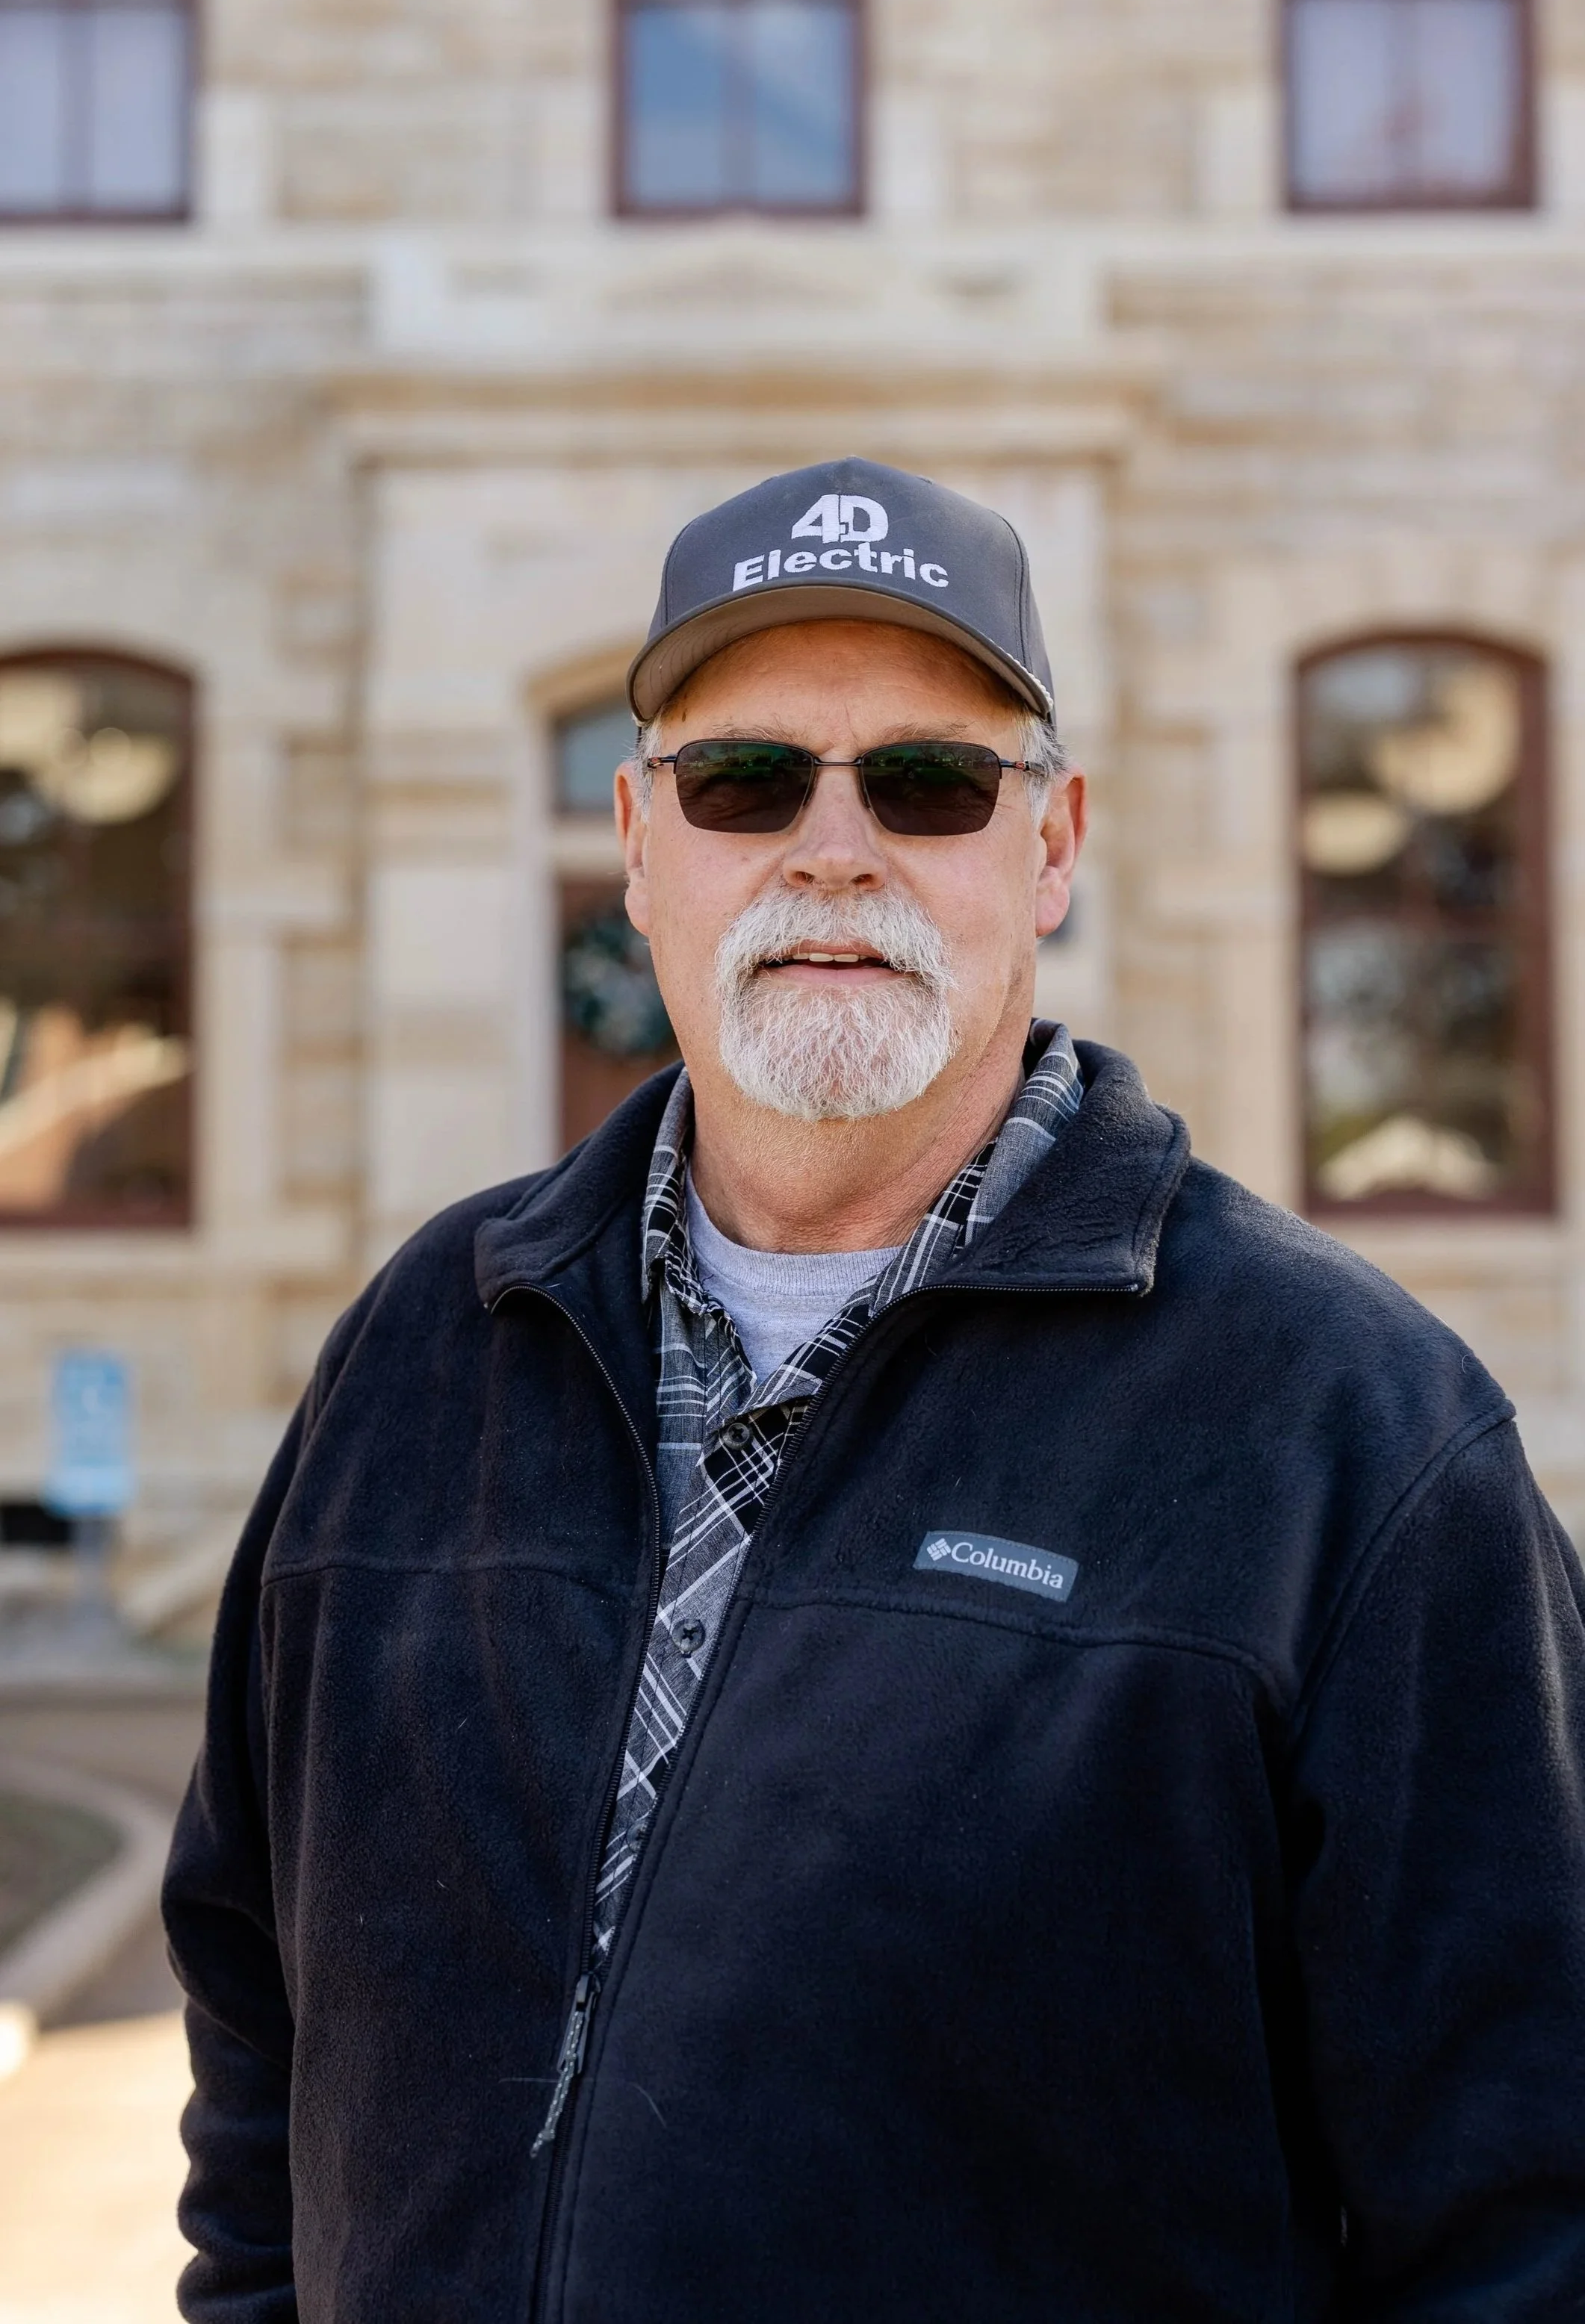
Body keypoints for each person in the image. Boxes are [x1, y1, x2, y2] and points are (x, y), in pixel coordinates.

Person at [165, 459, 1585, 2322]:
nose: (831, 850)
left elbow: (1524, 2221)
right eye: (744, 780)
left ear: (1052, 844)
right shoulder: (425, 1347)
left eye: (926, 782)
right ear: (639, 839)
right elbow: (255, 2034)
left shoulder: (1349, 1433)